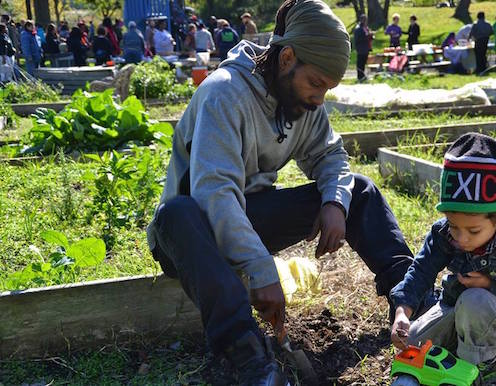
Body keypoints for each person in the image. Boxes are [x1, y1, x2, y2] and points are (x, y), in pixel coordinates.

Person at [146, 0, 424, 384]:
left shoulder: (303, 100)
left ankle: (413, 303)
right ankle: (249, 357)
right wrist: (261, 271)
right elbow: (216, 195)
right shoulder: (224, 94)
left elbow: (330, 155)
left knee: (357, 190)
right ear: (287, 57)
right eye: (315, 84)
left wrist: (334, 202)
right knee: (176, 213)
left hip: (248, 216)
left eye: (327, 88)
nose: (319, 98)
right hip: (194, 235)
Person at [390, 132, 496, 378]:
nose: (461, 238)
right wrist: (403, 310)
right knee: (413, 344)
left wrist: (490, 286)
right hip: (457, 305)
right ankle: (470, 338)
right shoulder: (444, 234)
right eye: (454, 225)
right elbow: (421, 271)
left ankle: (476, 368)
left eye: (473, 230)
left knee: (475, 300)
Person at [353, 14, 372, 82]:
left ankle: (362, 76)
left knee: (363, 62)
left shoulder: (365, 28)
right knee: (360, 63)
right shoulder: (358, 28)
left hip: (366, 48)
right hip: (361, 48)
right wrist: (367, 36)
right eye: (364, 20)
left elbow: (368, 35)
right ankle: (359, 76)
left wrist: (371, 35)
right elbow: (358, 39)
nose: (366, 21)